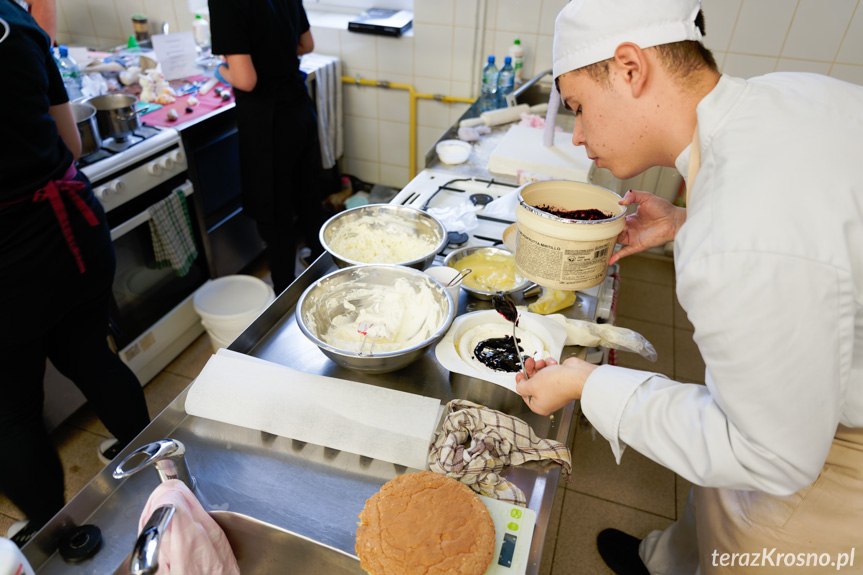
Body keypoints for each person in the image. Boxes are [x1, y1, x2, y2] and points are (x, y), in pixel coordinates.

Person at [515, 1, 863, 573]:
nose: (577, 135)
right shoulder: (785, 95)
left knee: (750, 535)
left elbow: (770, 455)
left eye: (578, 107)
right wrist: (684, 221)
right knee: (711, 501)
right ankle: (665, 562)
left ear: (630, 68)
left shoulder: (742, 231)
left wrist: (587, 382)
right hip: (805, 377)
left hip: (833, 445)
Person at [0, 0, 150, 547]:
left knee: (12, 412)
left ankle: (64, 538)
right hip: (68, 236)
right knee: (90, 357)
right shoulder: (15, 22)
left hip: (10, 263)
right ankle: (153, 462)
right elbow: (68, 143)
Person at [207, 0, 325, 294]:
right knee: (308, 196)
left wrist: (221, 70)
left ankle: (284, 297)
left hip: (268, 121)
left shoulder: (225, 5)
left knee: (275, 214)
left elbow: (246, 80)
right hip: (299, 107)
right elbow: (306, 44)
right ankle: (327, 273)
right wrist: (276, 55)